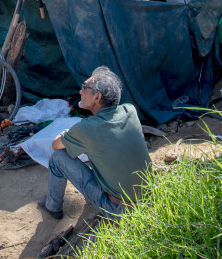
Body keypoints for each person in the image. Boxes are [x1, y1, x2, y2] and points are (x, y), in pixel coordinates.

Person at [38, 66, 151, 219]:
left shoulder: (87, 128)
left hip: (119, 210)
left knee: (58, 158)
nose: (80, 91)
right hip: (148, 200)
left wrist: (67, 133)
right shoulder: (129, 110)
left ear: (97, 97)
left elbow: (55, 145)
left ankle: (52, 206)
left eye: (84, 87)